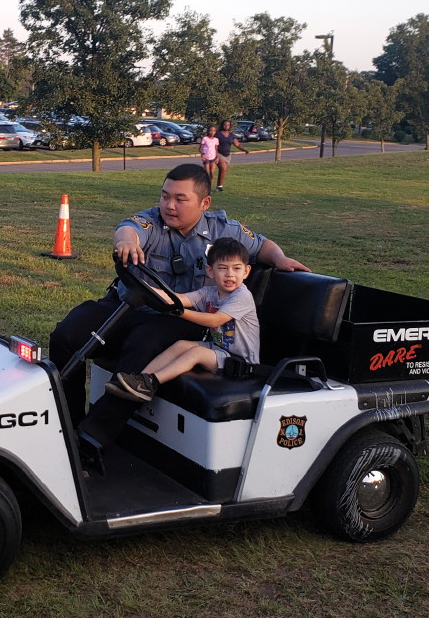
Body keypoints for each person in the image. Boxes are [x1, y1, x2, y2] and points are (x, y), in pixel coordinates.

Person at [48, 162, 308, 448]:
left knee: (143, 345)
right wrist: (126, 244)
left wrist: (280, 259)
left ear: (204, 203)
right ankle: (67, 426)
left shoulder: (223, 230)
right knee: (66, 335)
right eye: (164, 196)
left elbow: (262, 246)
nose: (169, 205)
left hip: (179, 318)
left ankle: (91, 439)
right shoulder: (151, 222)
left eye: (180, 199)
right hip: (127, 304)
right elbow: (129, 230)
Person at [105, 237, 259, 402]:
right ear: (210, 271)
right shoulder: (209, 292)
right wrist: (144, 288)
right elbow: (176, 298)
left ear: (246, 271)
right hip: (219, 349)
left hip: (240, 362)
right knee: (181, 345)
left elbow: (215, 321)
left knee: (196, 352)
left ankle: (151, 382)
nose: (230, 274)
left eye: (236, 269)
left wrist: (180, 312)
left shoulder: (242, 296)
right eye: (222, 268)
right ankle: (141, 382)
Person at [213, 119, 249, 192]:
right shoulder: (218, 134)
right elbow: (213, 143)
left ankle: (219, 186)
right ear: (222, 125)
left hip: (228, 155)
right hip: (219, 153)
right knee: (223, 168)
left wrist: (244, 150)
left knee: (224, 170)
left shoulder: (231, 135)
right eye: (225, 125)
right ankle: (218, 187)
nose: (226, 126)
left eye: (228, 125)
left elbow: (237, 144)